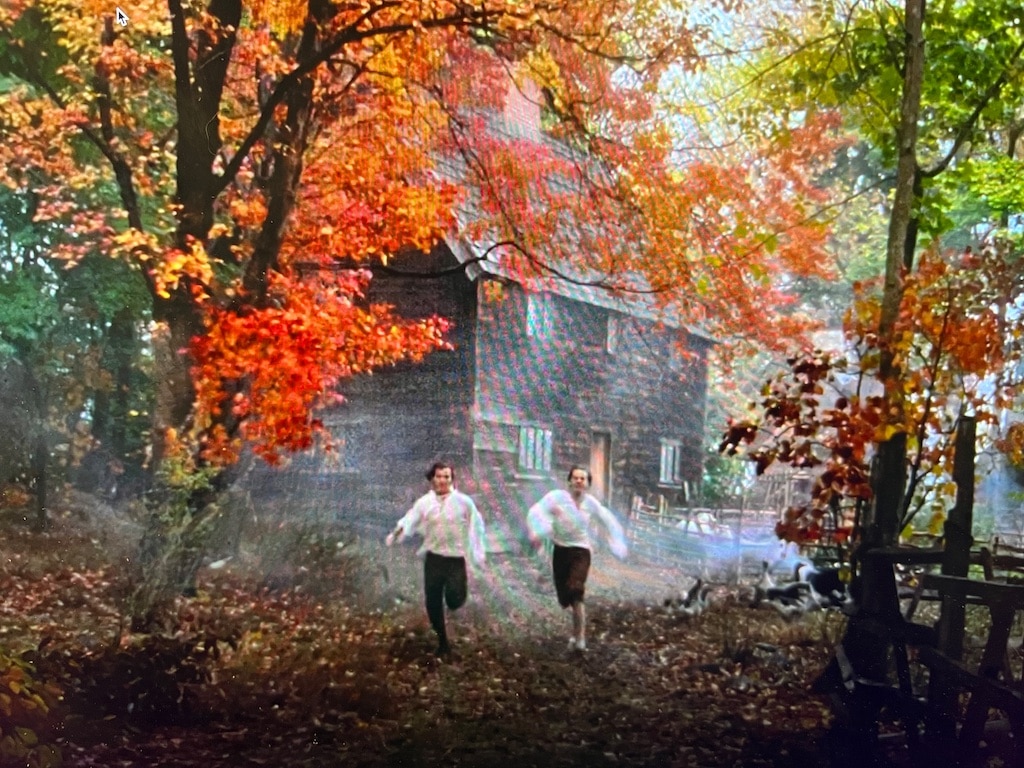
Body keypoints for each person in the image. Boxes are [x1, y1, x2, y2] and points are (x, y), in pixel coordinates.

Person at [385, 462, 486, 656]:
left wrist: (477, 554)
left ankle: (455, 602)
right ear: (432, 479)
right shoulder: (425, 503)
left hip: (455, 559)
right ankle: (442, 642)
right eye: (439, 476)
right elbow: (410, 520)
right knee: (433, 602)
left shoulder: (464, 502)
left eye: (446, 477)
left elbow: (477, 527)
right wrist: (396, 533)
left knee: (455, 599)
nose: (442, 481)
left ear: (452, 479)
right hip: (433, 559)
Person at [526, 466, 629, 652]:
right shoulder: (556, 497)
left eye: (583, 479)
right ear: (569, 481)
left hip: (581, 551)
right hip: (560, 550)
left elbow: (609, 520)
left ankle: (580, 637)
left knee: (576, 590)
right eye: (575, 478)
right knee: (564, 597)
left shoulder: (591, 503)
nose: (579, 481)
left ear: (588, 484)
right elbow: (536, 511)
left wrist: (618, 543)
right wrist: (538, 531)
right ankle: (575, 633)